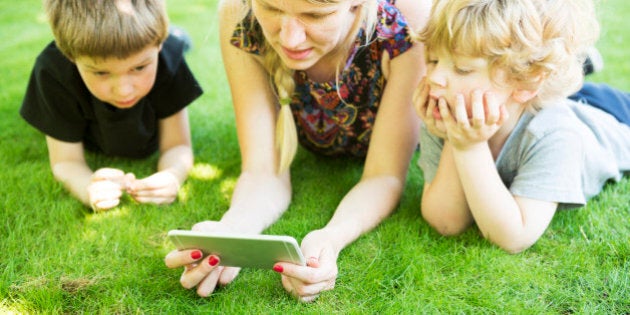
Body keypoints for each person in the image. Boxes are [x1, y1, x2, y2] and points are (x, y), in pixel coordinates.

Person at [164, 0, 430, 301]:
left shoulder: (407, 22)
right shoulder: (239, 11)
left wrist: (330, 238)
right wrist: (233, 229)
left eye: (315, 15)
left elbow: (384, 175)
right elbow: (264, 169)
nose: (290, 39)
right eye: (271, 9)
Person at [413, 0, 630, 254]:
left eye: (462, 69)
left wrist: (469, 147)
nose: (435, 78)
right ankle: (568, 67)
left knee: (564, 92)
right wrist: (456, 141)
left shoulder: (555, 134)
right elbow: (447, 223)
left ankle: (573, 66)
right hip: (534, 98)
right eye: (433, 59)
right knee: (554, 85)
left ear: (524, 84)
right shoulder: (448, 109)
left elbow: (513, 237)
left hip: (612, 114)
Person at [20, 0, 202, 211]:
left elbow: (177, 146)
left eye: (140, 67)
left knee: (179, 42)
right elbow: (65, 161)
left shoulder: (169, 59)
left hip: (166, 42)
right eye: (101, 72)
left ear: (159, 44)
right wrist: (88, 187)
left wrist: (172, 176)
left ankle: (179, 35)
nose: (124, 90)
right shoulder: (53, 73)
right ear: (70, 56)